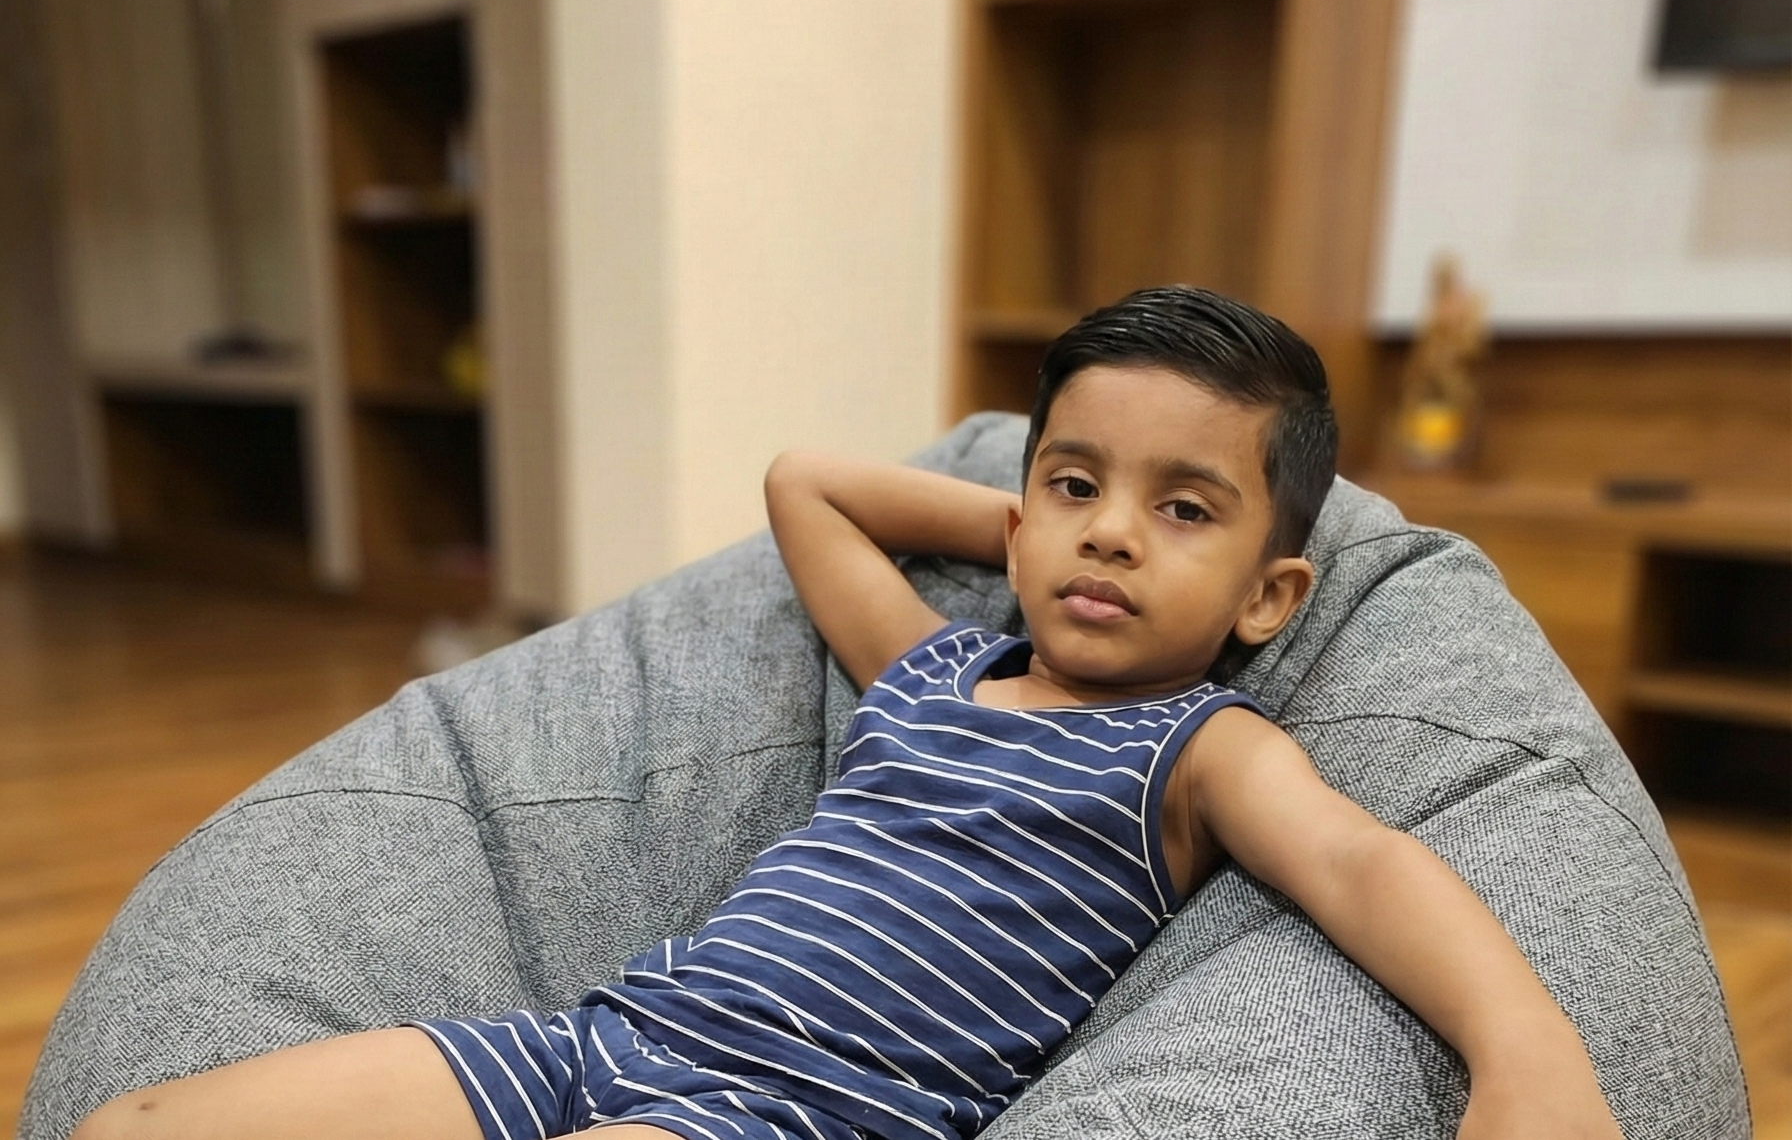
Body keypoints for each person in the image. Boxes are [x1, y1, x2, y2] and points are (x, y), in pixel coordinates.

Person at [73, 288, 1621, 1140]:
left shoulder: (1194, 751)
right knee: (142, 1122)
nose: (1108, 533)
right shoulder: (932, 669)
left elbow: (1365, 867)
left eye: (1182, 507)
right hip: (610, 1031)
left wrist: (1525, 1051)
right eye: (1076, 486)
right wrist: (1019, 523)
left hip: (807, 1113)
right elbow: (803, 481)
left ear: (1271, 595)